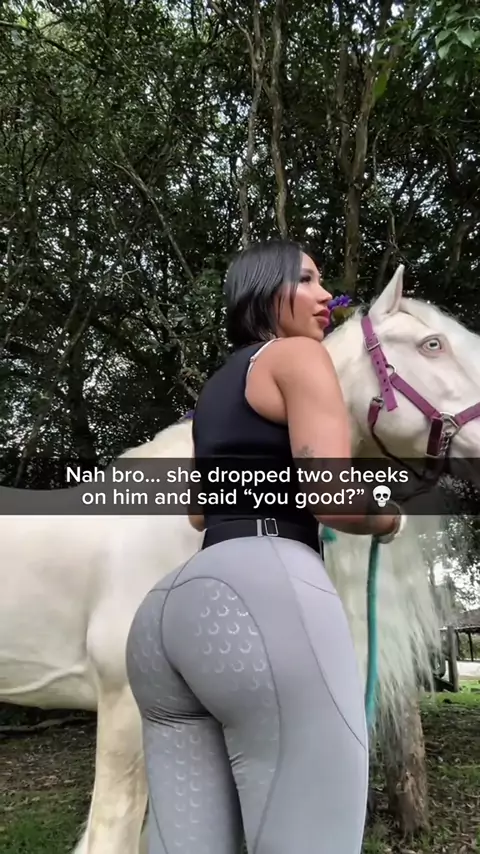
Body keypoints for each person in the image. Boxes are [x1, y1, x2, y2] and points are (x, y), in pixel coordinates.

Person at [125, 239, 405, 854]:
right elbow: (331, 495)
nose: (327, 296)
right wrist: (388, 514)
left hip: (168, 617)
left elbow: (199, 513)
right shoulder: (299, 356)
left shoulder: (215, 391)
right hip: (260, 594)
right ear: (262, 292)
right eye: (306, 280)